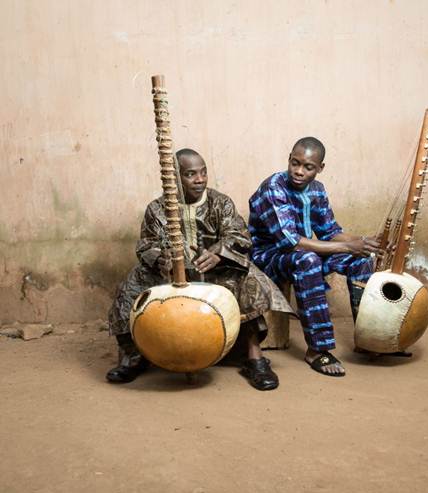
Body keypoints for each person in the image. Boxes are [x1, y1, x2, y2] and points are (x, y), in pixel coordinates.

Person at [106, 148, 293, 391]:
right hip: (170, 276)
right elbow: (146, 245)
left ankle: (254, 357)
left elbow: (239, 236)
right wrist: (161, 260)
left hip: (215, 272)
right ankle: (133, 356)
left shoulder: (221, 202)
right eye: (191, 174)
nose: (200, 179)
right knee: (131, 286)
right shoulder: (157, 209)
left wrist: (219, 252)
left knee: (249, 279)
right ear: (175, 178)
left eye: (203, 172)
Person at [248, 137, 381, 377]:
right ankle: (317, 349)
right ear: (289, 159)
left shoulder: (317, 190)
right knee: (308, 260)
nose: (299, 171)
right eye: (295, 163)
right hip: (267, 257)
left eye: (308, 167)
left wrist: (363, 243)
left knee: (361, 260)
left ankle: (368, 339)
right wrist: (349, 247)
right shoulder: (273, 188)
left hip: (304, 253)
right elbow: (292, 242)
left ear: (320, 168)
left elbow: (330, 232)